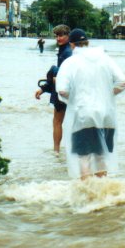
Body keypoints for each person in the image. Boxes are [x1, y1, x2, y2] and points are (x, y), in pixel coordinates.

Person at [56, 28, 125, 180]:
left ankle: (88, 195)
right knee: (100, 156)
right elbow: (123, 83)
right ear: (88, 43)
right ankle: (103, 194)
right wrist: (108, 95)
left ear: (72, 45)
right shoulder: (105, 58)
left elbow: (62, 90)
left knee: (84, 158)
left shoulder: (70, 62)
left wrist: (74, 99)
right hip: (106, 115)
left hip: (84, 115)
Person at [35, 24, 73, 153]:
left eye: (61, 35)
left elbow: (61, 75)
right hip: (69, 91)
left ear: (68, 36)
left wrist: (45, 88)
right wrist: (44, 89)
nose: (58, 38)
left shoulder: (66, 52)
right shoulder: (67, 50)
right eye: (57, 35)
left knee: (57, 121)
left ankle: (56, 151)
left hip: (63, 91)